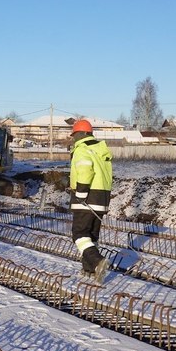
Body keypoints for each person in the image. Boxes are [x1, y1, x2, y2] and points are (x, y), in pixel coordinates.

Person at [69, 119, 113, 282]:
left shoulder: (82, 149)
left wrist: (81, 192)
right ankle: (89, 270)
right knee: (91, 236)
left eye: (74, 135)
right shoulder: (100, 151)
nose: (73, 138)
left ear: (80, 134)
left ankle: (97, 261)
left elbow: (85, 170)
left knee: (79, 235)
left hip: (87, 196)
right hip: (102, 198)